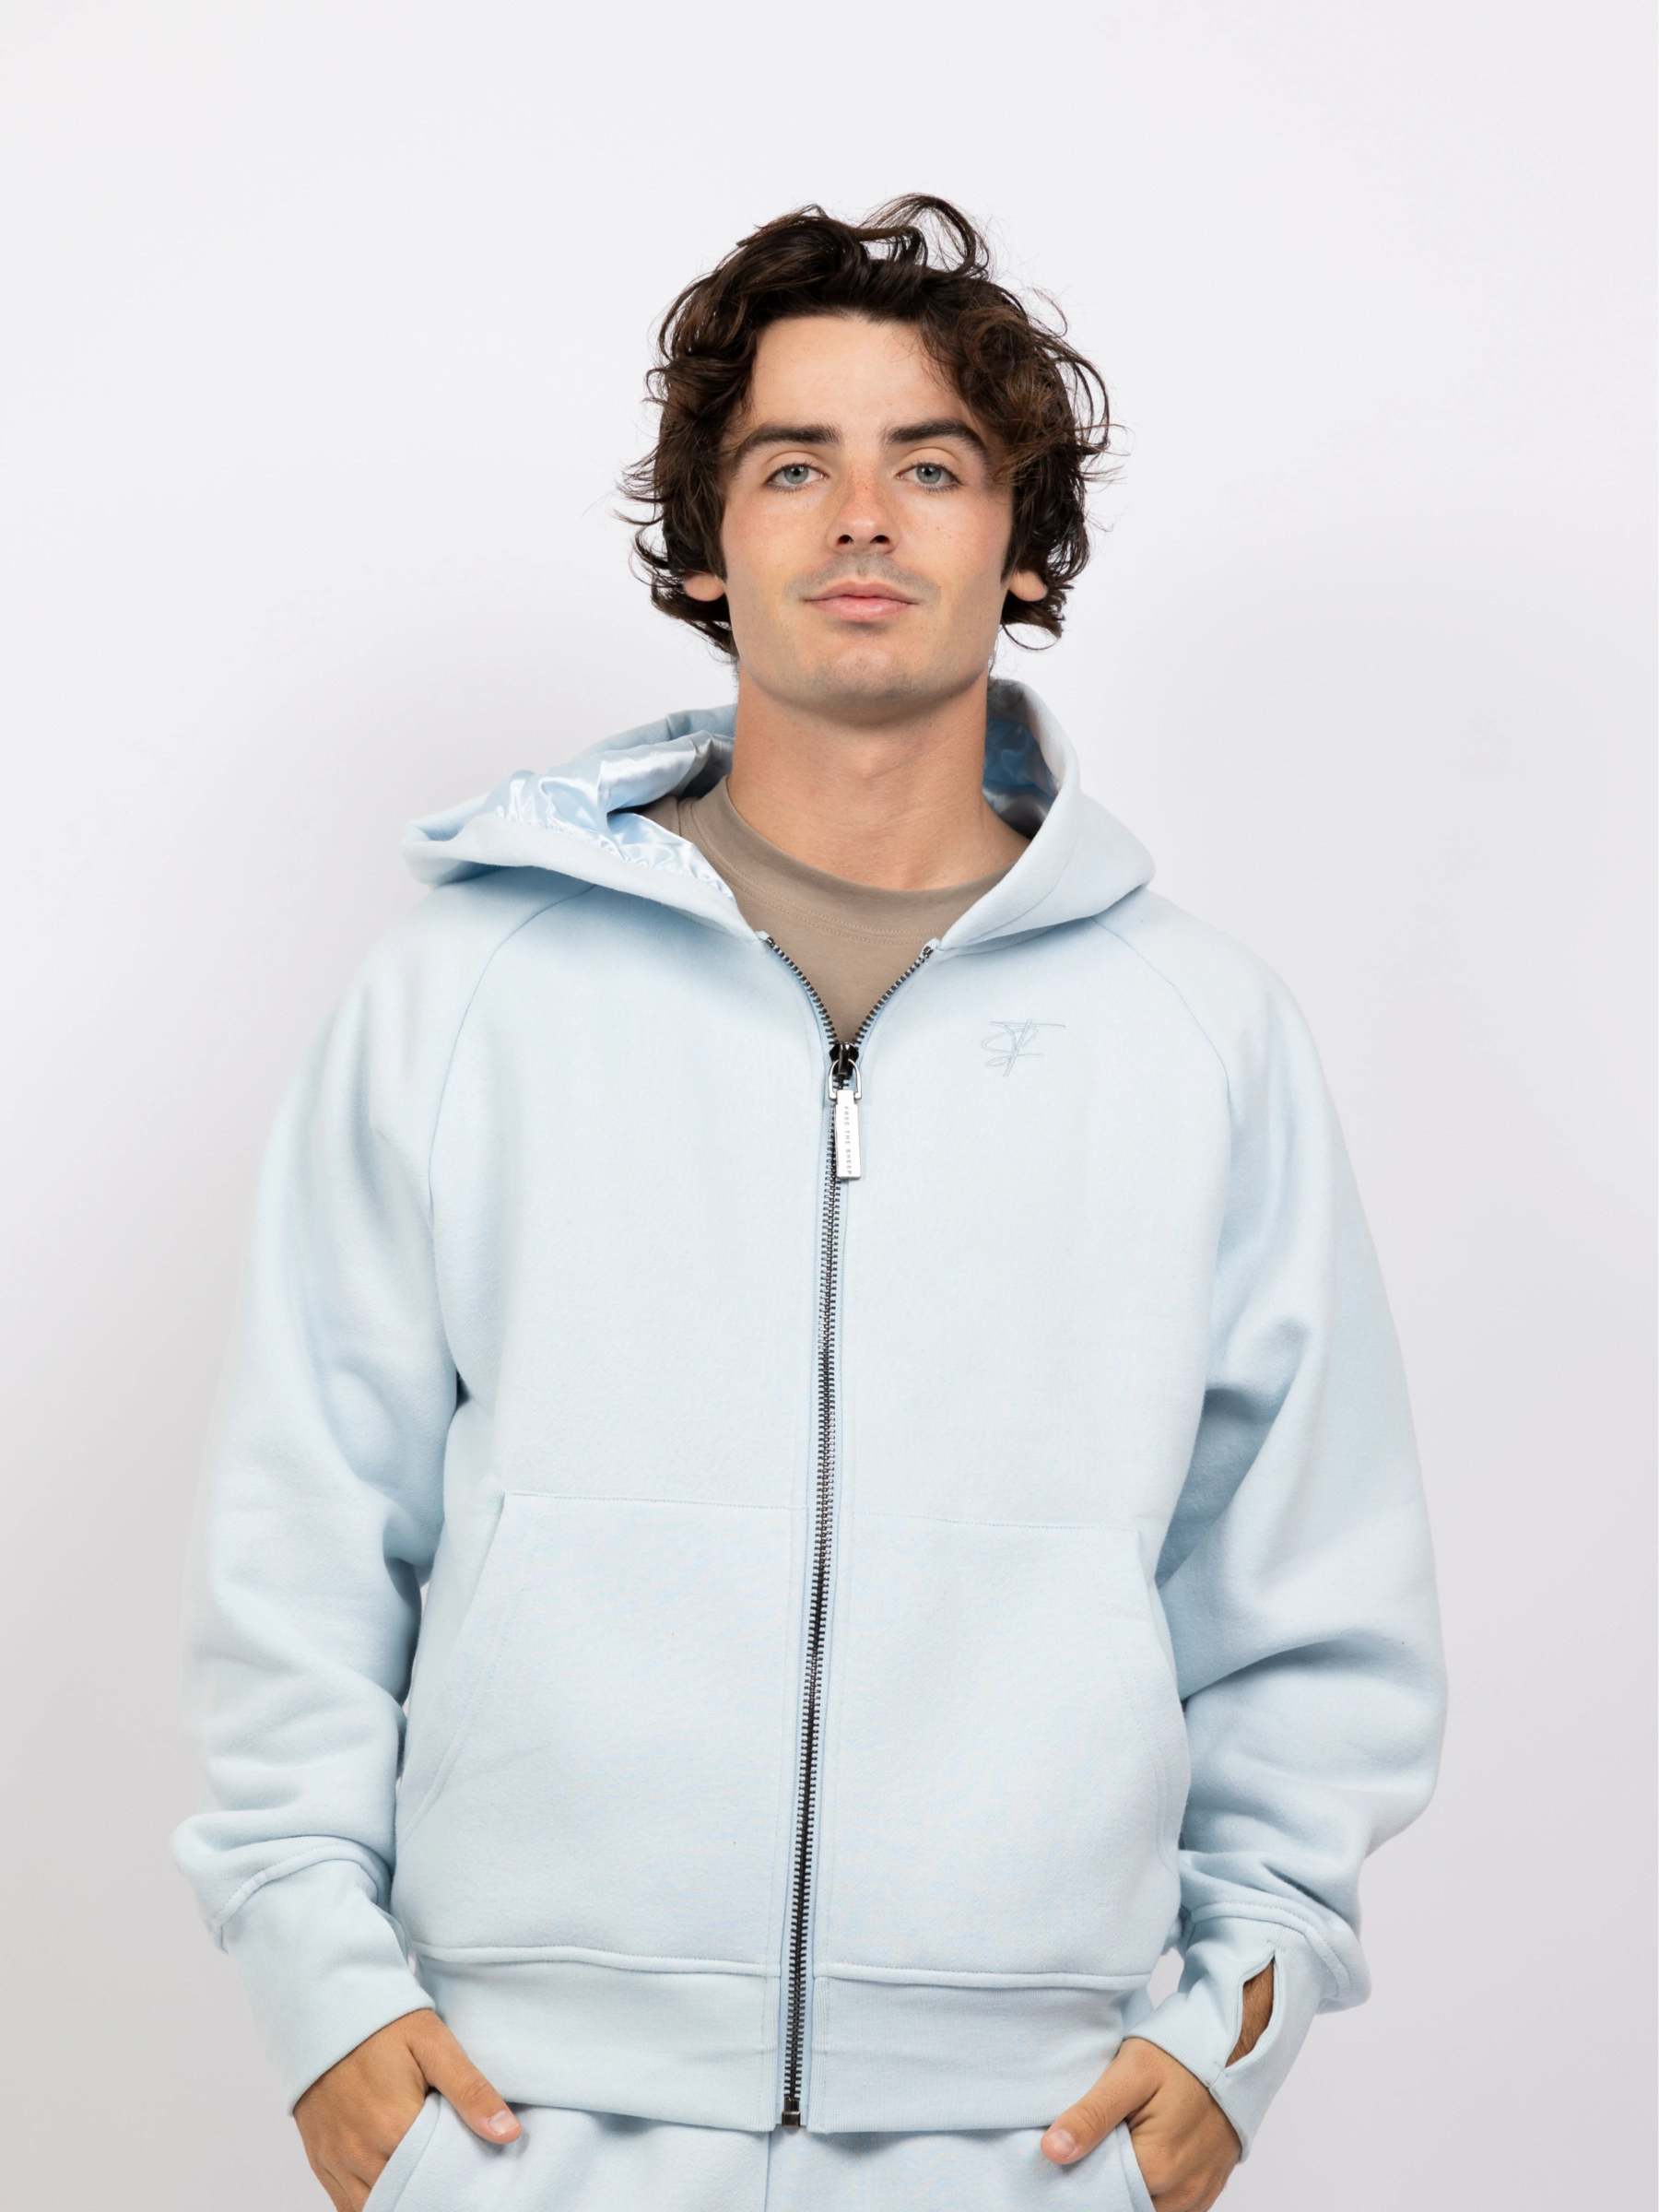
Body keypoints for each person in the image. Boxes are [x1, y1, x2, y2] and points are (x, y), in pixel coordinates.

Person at [170, 194, 1449, 2212]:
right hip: (518, 2118)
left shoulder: (1200, 1031)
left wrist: (1245, 2012)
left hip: (1030, 2133)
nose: (863, 518)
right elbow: (306, 1524)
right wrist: (320, 1991)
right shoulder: (466, 994)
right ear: (706, 545)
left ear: (1024, 547)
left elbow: (1305, 1583)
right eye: (793, 466)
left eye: (930, 466)